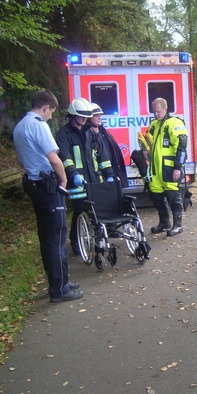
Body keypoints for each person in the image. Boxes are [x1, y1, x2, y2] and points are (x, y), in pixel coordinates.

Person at [12, 90, 83, 302]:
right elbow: (54, 158)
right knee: (57, 238)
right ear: (45, 107)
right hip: (48, 186)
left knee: (47, 237)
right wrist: (64, 180)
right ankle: (60, 290)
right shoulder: (38, 125)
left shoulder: (20, 125)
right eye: (51, 111)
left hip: (34, 184)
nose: (51, 116)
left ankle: (59, 281)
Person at [56, 97, 115, 254]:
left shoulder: (91, 132)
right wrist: (73, 174)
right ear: (72, 115)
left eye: (85, 116)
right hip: (78, 182)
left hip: (94, 180)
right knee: (79, 211)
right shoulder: (63, 134)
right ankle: (76, 241)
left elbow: (102, 155)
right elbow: (66, 158)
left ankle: (98, 239)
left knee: (96, 211)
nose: (84, 119)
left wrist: (109, 174)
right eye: (81, 116)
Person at [144, 97, 188, 237]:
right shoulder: (154, 125)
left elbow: (182, 146)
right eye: (154, 112)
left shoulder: (174, 123)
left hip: (169, 168)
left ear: (165, 109)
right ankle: (164, 222)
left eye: (158, 111)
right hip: (156, 170)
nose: (156, 114)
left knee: (173, 197)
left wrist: (177, 167)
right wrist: (144, 149)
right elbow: (148, 142)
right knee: (156, 196)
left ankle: (177, 225)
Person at [83, 102, 129, 188]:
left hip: (108, 175)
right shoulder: (85, 135)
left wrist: (111, 175)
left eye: (100, 115)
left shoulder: (104, 132)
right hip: (95, 178)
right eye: (96, 115)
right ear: (89, 118)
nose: (99, 118)